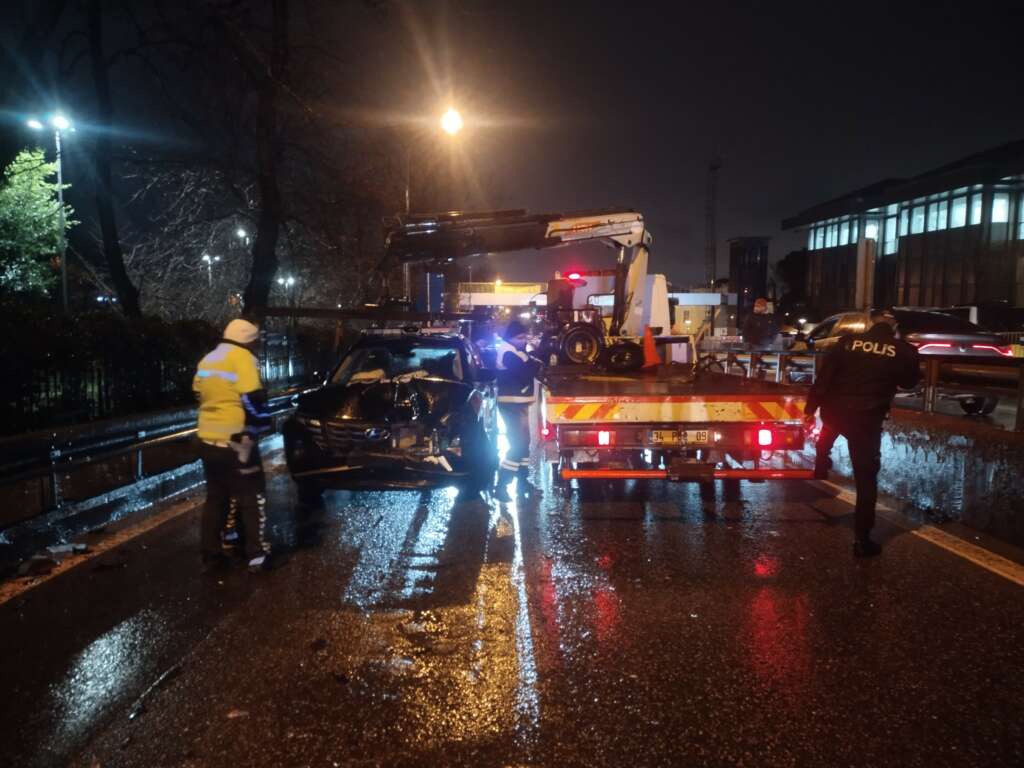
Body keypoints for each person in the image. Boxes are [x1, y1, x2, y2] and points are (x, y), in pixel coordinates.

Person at [803, 308, 921, 557]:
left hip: (835, 411)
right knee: (866, 477)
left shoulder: (846, 343)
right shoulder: (901, 350)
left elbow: (824, 378)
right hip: (866, 417)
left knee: (831, 428)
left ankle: (821, 459)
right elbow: (911, 382)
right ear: (894, 327)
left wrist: (810, 408)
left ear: (870, 325)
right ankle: (862, 539)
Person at [193, 318, 275, 572]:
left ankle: (212, 556)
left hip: (208, 440)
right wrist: (258, 426)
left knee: (216, 499)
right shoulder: (244, 359)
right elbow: (253, 399)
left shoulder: (208, 359)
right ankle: (256, 555)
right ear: (249, 341)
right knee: (252, 496)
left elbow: (198, 392)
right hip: (238, 442)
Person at [494, 319, 543, 502]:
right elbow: (525, 373)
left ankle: (523, 483)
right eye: (520, 337)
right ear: (511, 337)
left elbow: (529, 365)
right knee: (518, 446)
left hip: (519, 404)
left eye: (525, 337)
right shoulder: (507, 352)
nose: (524, 340)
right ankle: (501, 486)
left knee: (524, 444)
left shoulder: (515, 350)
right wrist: (534, 364)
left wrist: (532, 362)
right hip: (511, 404)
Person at [742, 298, 778, 378]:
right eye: (755, 305)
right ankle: (749, 376)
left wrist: (771, 341)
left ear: (764, 307)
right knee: (754, 362)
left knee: (760, 363)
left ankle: (758, 377)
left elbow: (775, 330)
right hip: (753, 344)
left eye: (758, 306)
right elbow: (745, 330)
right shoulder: (751, 316)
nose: (755, 307)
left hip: (765, 345)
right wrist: (747, 341)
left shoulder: (770, 317)